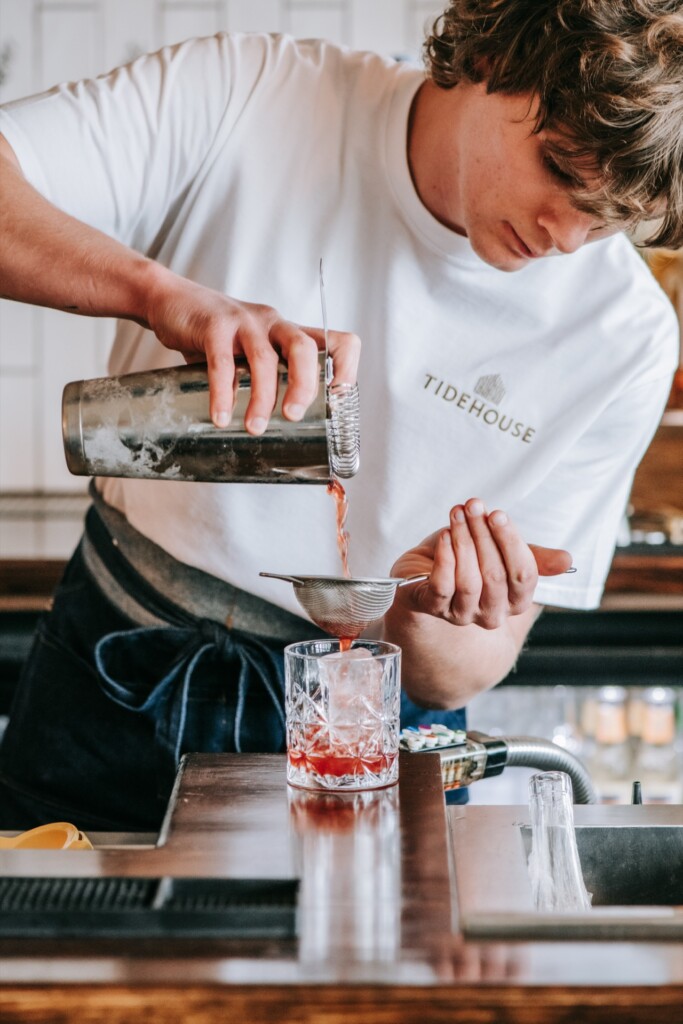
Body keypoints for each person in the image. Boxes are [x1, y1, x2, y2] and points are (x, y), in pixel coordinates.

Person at [0, 0, 679, 830]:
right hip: (123, 667)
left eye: (610, 218)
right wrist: (156, 293)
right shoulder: (251, 91)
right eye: (561, 170)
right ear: (496, 56)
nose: (566, 237)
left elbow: (465, 669)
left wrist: (431, 616)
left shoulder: (625, 337)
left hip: (377, 726)